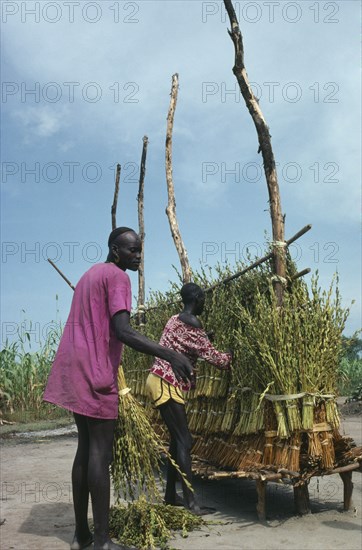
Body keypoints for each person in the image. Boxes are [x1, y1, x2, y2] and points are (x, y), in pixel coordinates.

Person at [43, 227, 193, 550]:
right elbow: (123, 331)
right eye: (132, 250)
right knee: (100, 451)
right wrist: (171, 354)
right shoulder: (118, 278)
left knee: (85, 447)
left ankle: (82, 535)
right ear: (115, 251)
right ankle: (102, 541)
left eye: (139, 250)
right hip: (94, 371)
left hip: (72, 366)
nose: (137, 256)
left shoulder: (89, 276)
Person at [145, 282, 232, 515]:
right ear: (195, 298)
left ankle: (170, 496)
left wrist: (206, 338)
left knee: (176, 441)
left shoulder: (175, 319)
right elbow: (216, 359)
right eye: (203, 298)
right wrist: (231, 355)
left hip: (158, 379)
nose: (205, 302)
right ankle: (192, 504)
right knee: (185, 441)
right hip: (167, 382)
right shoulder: (194, 323)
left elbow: (186, 344)